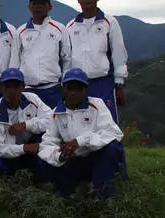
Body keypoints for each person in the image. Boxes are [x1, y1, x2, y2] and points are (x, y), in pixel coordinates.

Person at [37, 68, 126, 199]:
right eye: (69, 88)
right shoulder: (56, 113)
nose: (73, 93)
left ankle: (103, 197)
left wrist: (81, 141)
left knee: (111, 149)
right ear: (63, 89)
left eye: (78, 88)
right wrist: (59, 155)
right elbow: (48, 143)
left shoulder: (96, 105)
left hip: (95, 158)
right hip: (72, 161)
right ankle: (71, 189)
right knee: (42, 159)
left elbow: (113, 132)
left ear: (85, 90)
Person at [66, 0, 128, 122]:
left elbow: (118, 53)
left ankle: (112, 145)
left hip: (103, 83)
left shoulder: (109, 22)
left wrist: (119, 84)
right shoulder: (70, 26)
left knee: (107, 123)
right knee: (81, 122)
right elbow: (67, 58)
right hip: (78, 84)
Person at [0, 68, 52, 177]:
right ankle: (7, 185)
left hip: (30, 148)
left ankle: (43, 180)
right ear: (1, 87)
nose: (11, 91)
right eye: (7, 86)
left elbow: (51, 121)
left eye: (15, 86)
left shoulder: (33, 99)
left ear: (23, 87)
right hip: (9, 156)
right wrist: (25, 148)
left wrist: (27, 125)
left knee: (47, 143)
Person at [10, 0, 71, 108]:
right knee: (29, 125)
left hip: (53, 89)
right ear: (29, 7)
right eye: (35, 3)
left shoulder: (59, 29)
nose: (38, 6)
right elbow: (14, 61)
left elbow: (67, 58)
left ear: (50, 7)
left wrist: (65, 84)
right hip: (27, 89)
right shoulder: (21, 31)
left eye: (42, 3)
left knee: (54, 124)